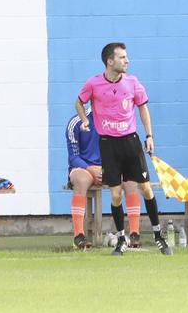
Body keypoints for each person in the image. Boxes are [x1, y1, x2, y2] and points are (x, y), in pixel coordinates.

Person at [77, 42, 167, 255]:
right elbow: (79, 103)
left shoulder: (133, 82)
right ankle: (120, 239)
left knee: (145, 188)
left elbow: (143, 109)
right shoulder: (93, 84)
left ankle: (158, 236)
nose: (127, 61)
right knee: (116, 195)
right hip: (108, 145)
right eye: (122, 57)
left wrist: (149, 136)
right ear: (110, 61)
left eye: (126, 57)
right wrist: (84, 120)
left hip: (131, 143)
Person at [65, 104, 106, 250]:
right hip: (83, 168)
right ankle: (79, 236)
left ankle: (132, 235)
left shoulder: (115, 120)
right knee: (81, 180)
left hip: (106, 167)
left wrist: (105, 168)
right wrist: (91, 169)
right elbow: (73, 157)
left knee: (130, 179)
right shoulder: (75, 123)